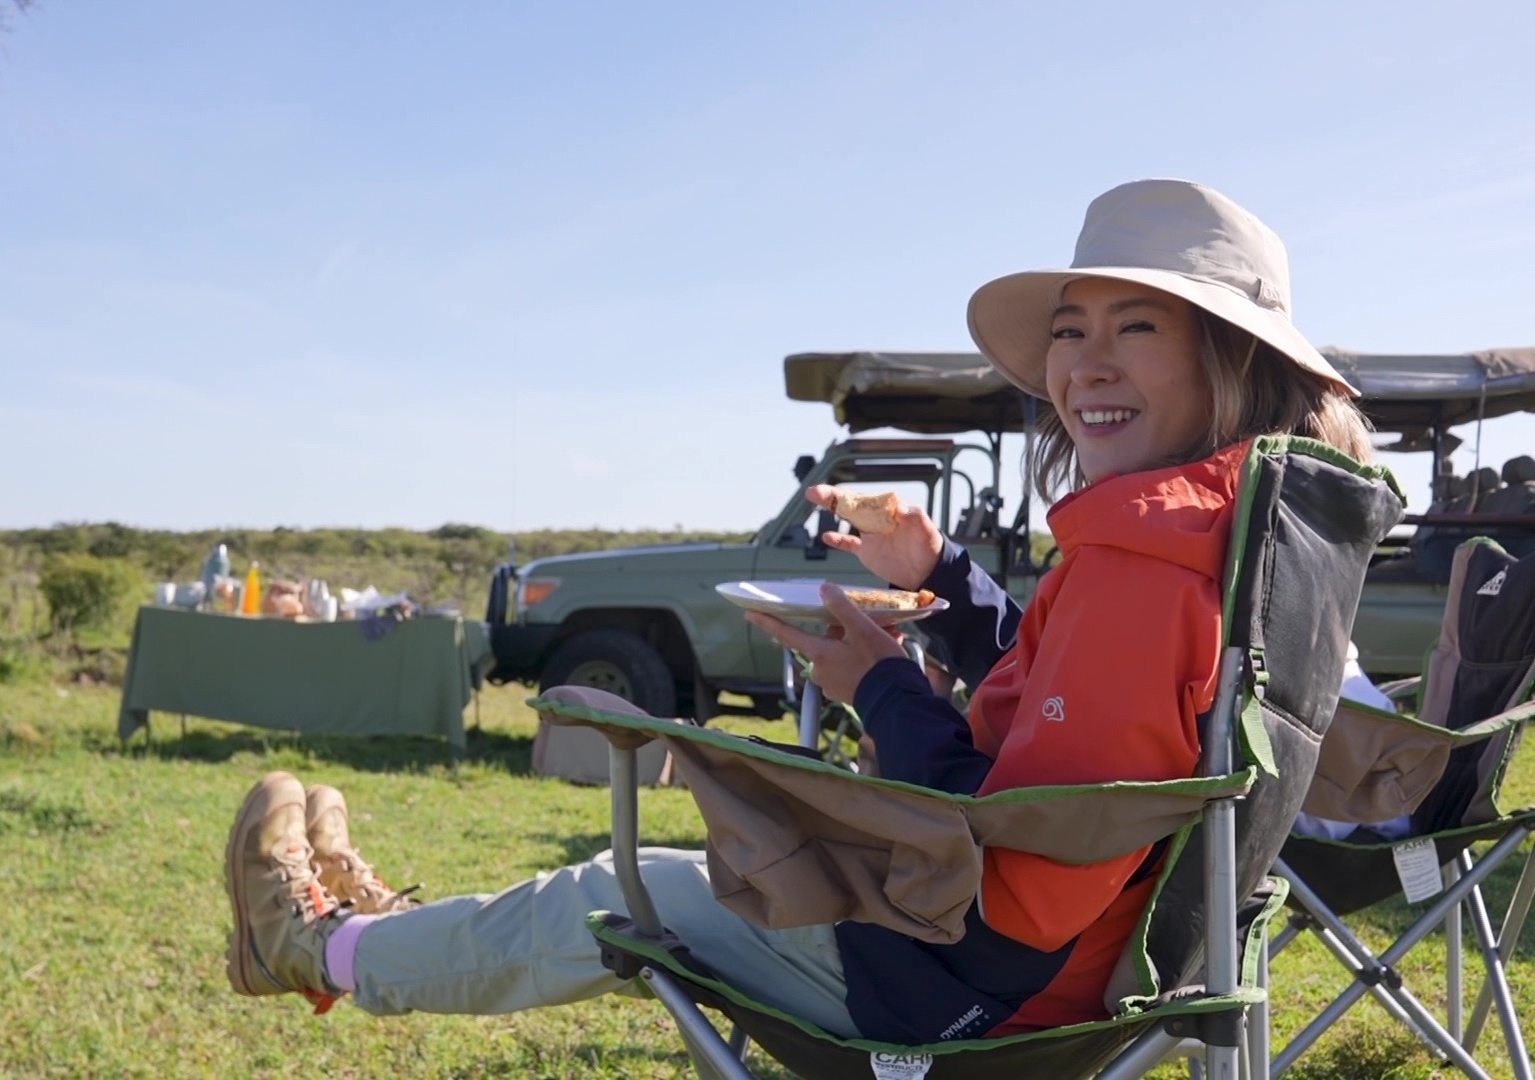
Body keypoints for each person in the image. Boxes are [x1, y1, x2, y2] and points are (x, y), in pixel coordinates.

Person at [220, 179, 1376, 1045]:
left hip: (972, 986)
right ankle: (368, 931)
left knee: (612, 888)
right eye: (1072, 330)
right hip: (1071, 959)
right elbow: (1099, 729)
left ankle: (322, 946)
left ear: (1227, 356)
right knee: (670, 867)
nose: (1086, 366)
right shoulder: (1223, 534)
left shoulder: (1146, 561)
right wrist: (946, 582)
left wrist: (875, 686)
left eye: (1138, 326)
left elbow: (1029, 858)